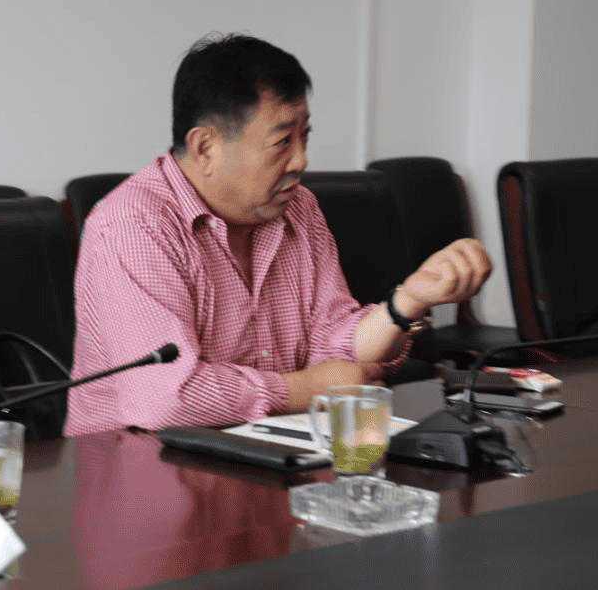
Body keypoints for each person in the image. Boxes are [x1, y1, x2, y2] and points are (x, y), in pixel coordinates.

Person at [64, 34, 491, 435]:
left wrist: (407, 302)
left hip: (264, 450)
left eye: (305, 138)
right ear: (205, 148)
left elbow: (333, 349)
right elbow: (163, 397)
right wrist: (304, 389)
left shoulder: (298, 208)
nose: (301, 160)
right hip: (141, 463)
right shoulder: (134, 225)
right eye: (283, 141)